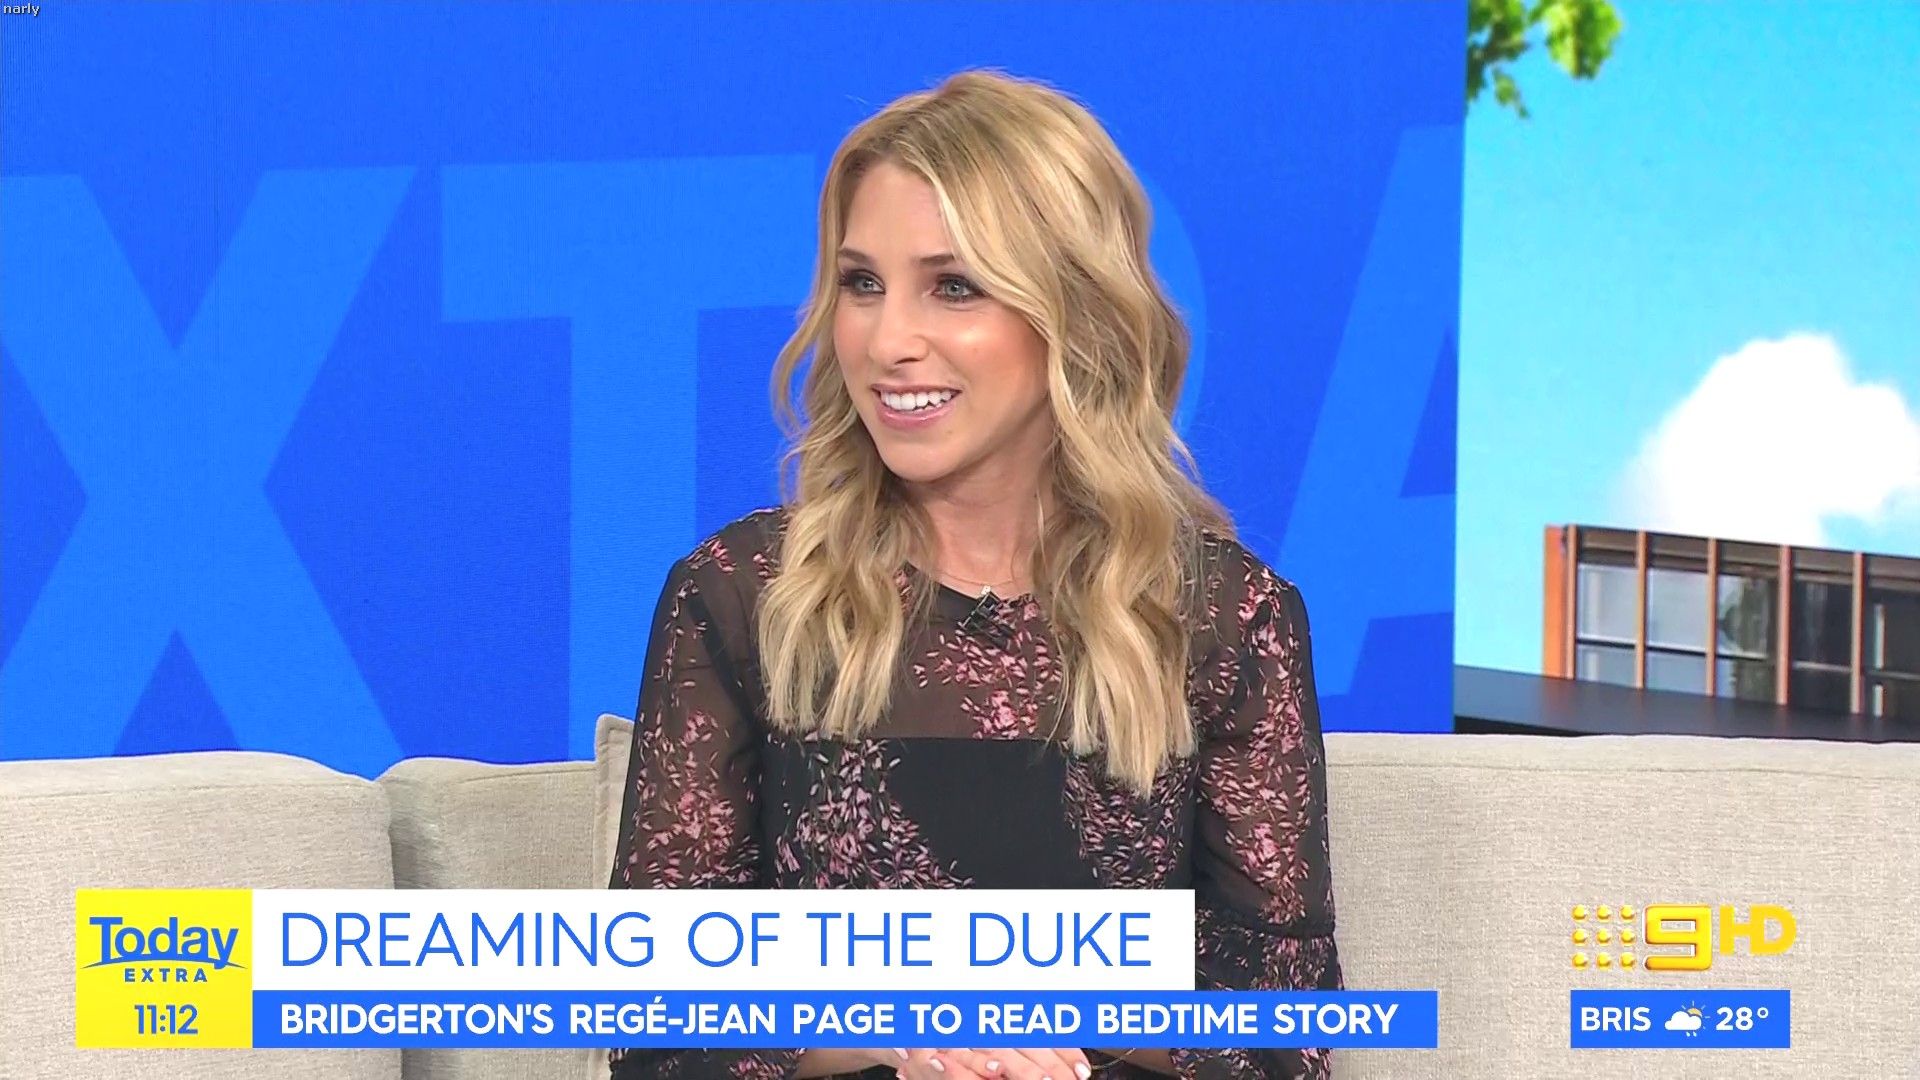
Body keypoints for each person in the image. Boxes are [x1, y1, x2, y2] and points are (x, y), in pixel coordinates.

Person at [609, 69, 1341, 1080]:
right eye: (861, 283)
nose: (887, 342)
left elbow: (1285, 1031)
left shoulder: (1222, 616)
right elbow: (656, 1025)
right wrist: (895, 1031)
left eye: (953, 287)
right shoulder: (742, 596)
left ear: (1073, 312)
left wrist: (1051, 1034)